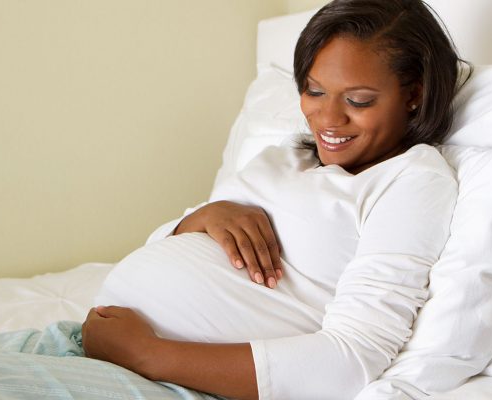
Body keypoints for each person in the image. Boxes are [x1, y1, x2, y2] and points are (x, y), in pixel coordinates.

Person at [82, 1, 466, 399]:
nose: (328, 118)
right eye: (314, 91)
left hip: (172, 376)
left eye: (358, 100)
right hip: (103, 348)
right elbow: (169, 250)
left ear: (414, 95)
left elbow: (351, 359)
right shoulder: (285, 156)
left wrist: (148, 354)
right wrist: (203, 217)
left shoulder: (412, 180)